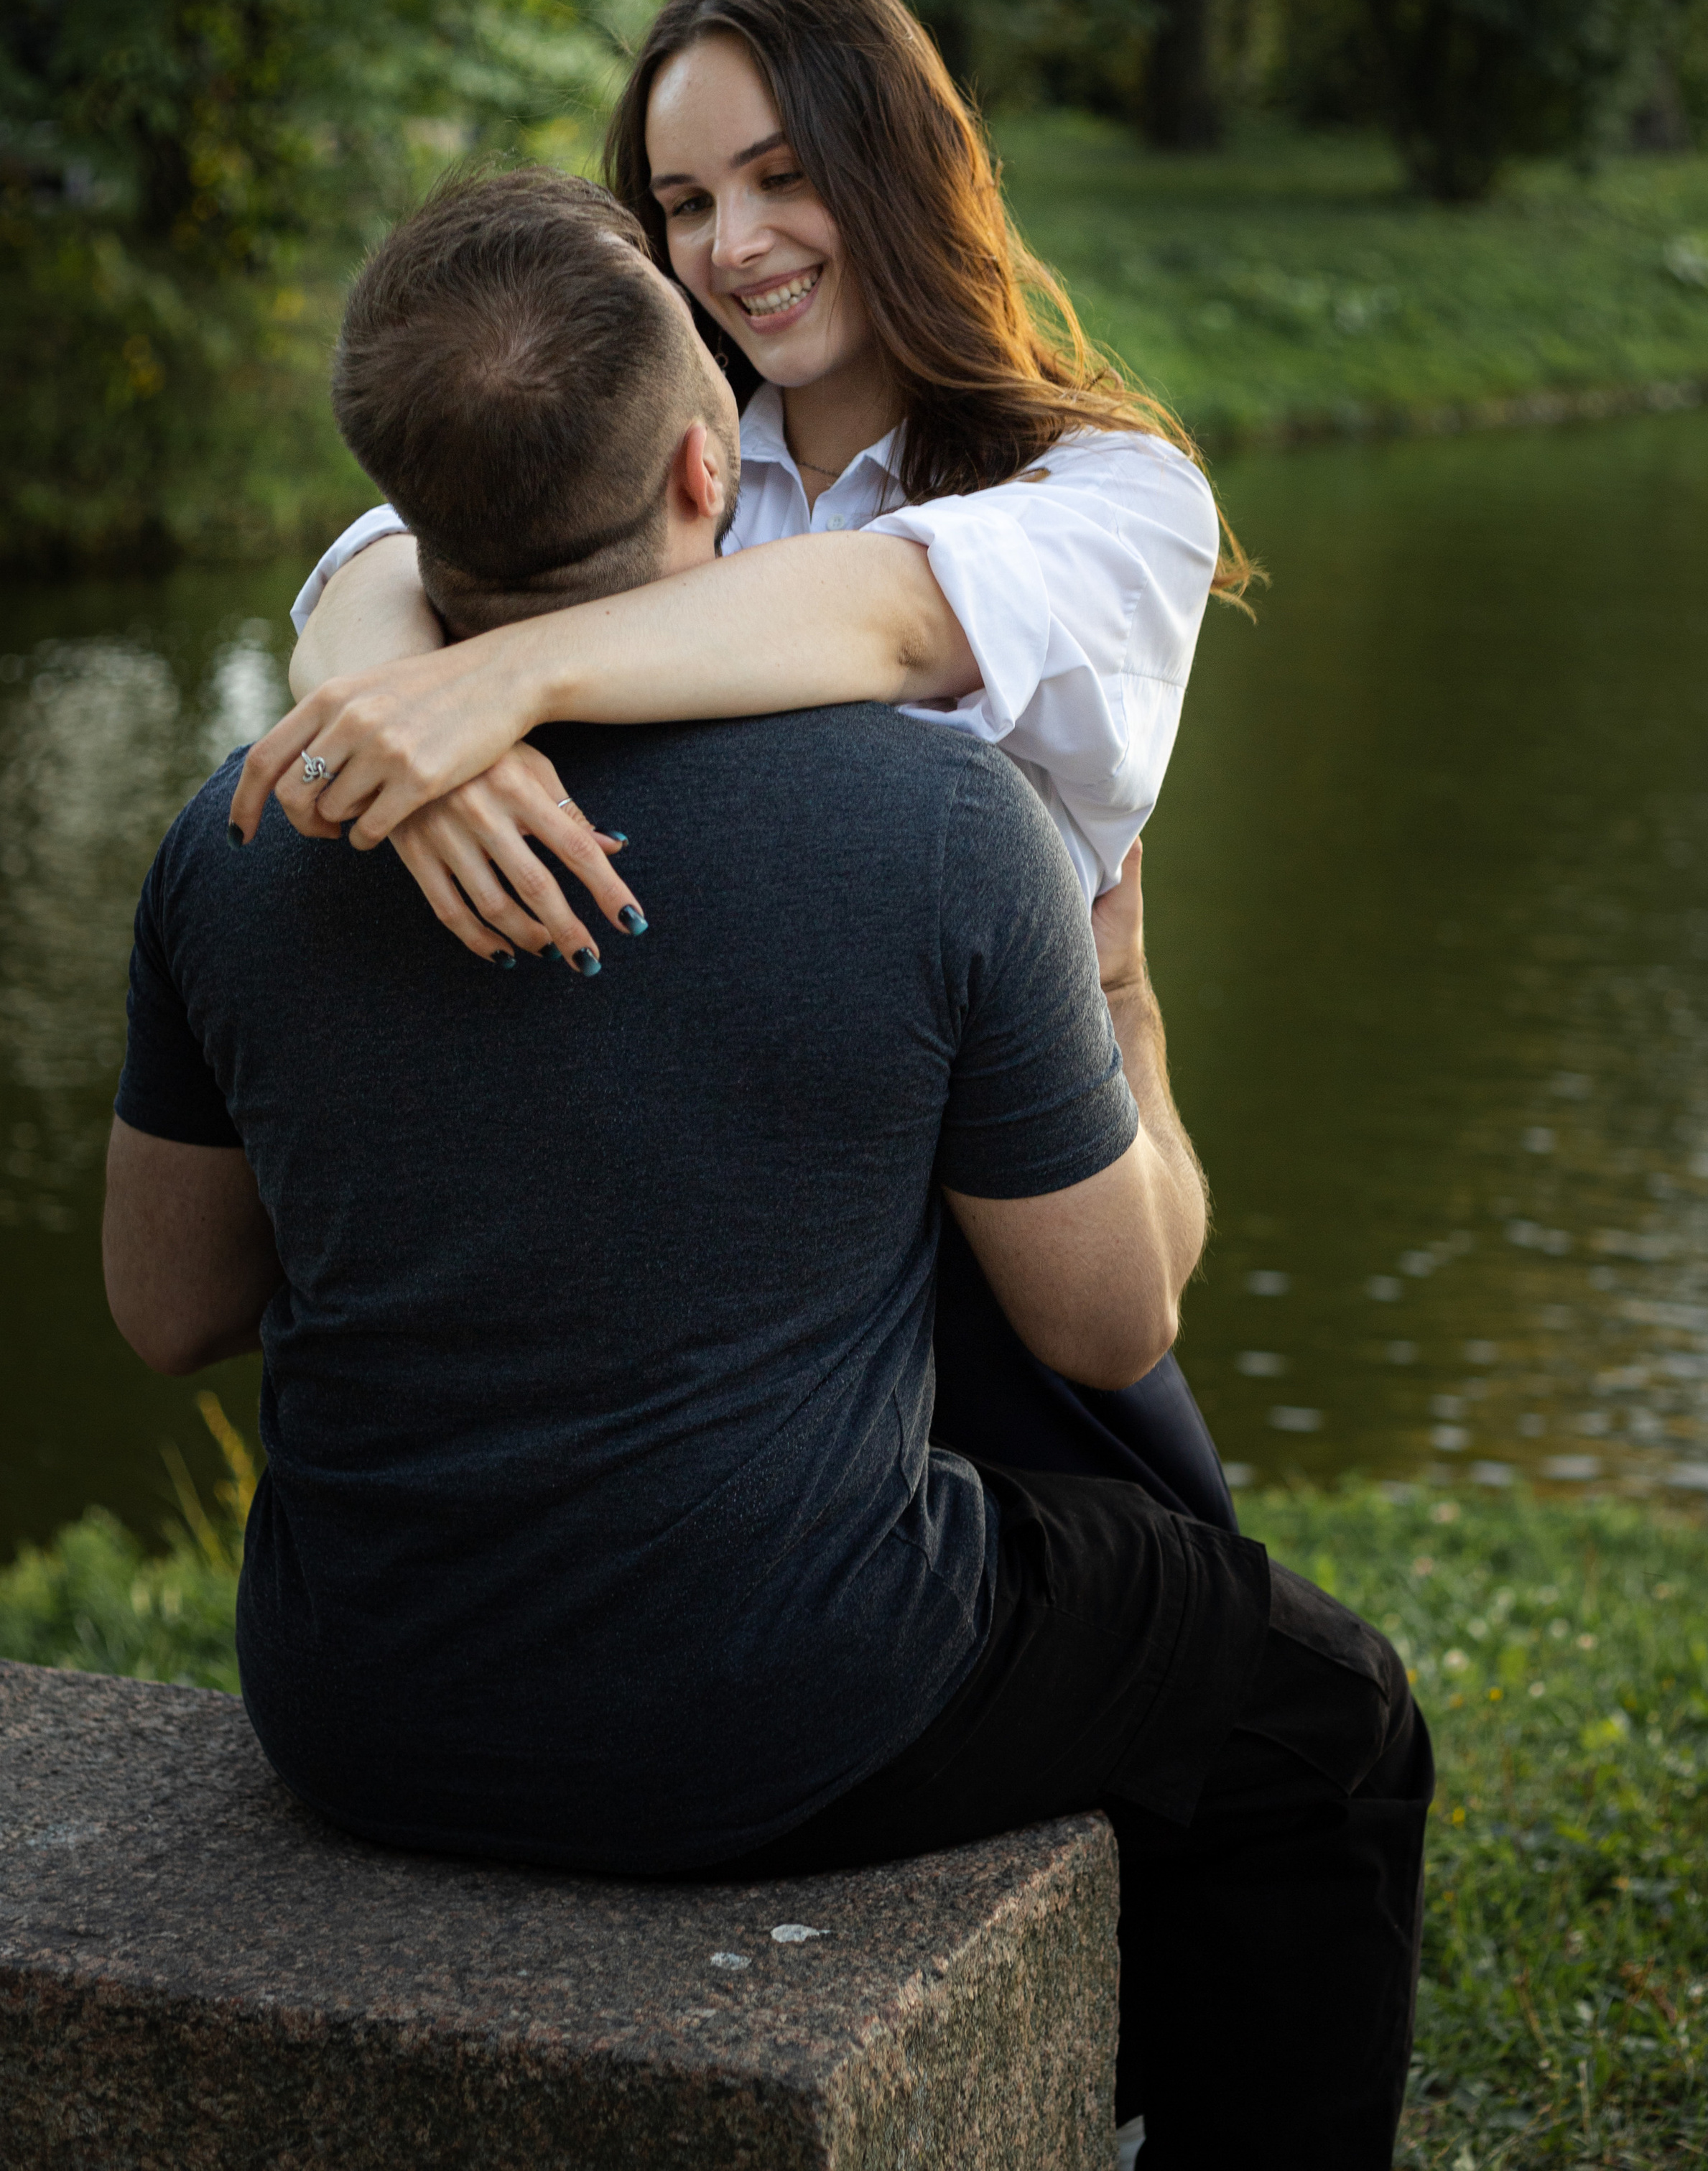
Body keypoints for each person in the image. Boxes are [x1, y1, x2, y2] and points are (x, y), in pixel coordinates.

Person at [108, 168, 1432, 2167]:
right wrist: (1134, 1019)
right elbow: (1105, 1318)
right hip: (783, 1709)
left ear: (393, 514)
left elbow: (167, 1307)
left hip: (356, 1699)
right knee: (1325, 1717)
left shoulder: (243, 837)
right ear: (706, 473)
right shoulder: (939, 823)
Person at [242, 0, 1252, 1530]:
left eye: (782, 177)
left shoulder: (1114, 499)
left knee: (1248, 1705)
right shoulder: (662, 436)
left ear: (899, 163)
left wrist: (505, 679)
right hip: (684, 1274)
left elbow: (895, 618)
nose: (736, 245)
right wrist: (432, 739)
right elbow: (375, 554)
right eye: (685, 204)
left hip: (988, 1247)